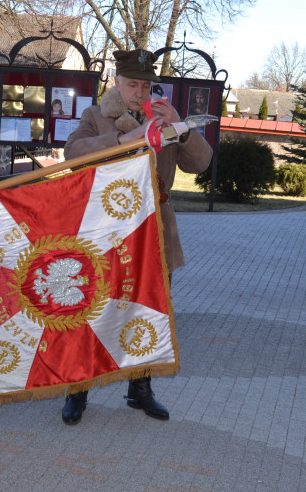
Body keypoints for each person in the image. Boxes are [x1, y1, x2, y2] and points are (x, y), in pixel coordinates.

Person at [59, 48, 212, 424]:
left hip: (156, 229)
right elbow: (72, 153)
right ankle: (77, 390)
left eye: (146, 85)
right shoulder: (97, 115)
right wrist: (127, 139)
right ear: (117, 83)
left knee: (150, 309)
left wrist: (182, 126)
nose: (139, 93)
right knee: (93, 309)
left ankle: (140, 389)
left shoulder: (165, 120)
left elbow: (201, 163)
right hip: (107, 231)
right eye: (132, 85)